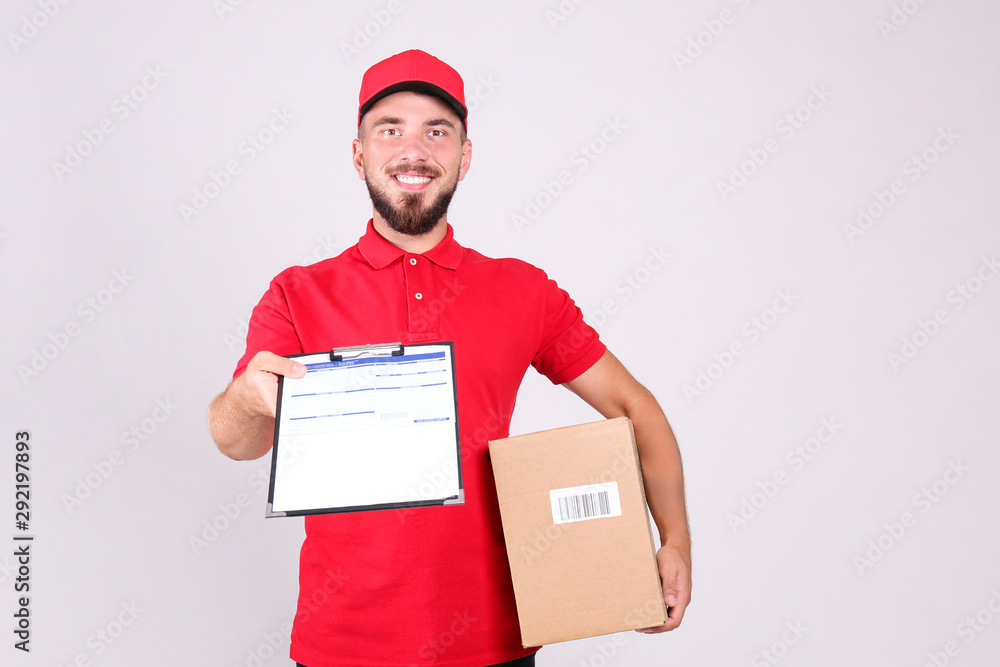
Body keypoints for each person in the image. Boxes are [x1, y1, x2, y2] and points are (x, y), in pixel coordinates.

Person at [207, 49, 691, 667]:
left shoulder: (523, 290)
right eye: (390, 130)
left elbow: (634, 406)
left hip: (497, 645)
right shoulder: (297, 294)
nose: (414, 150)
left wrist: (674, 542)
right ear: (359, 155)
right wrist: (247, 397)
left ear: (464, 156)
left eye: (437, 131)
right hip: (343, 647)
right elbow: (236, 442)